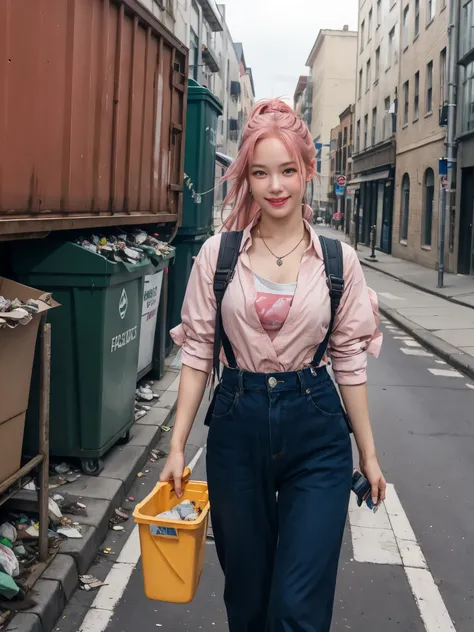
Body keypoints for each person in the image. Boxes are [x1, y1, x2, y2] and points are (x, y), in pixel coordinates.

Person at [160, 99, 385, 632]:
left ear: (308, 170)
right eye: (261, 172)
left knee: (296, 609)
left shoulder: (337, 261)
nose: (276, 185)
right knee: (249, 600)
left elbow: (350, 359)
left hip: (318, 432)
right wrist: (175, 447)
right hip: (237, 427)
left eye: (288, 170)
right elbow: (197, 353)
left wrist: (369, 455)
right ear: (247, 177)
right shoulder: (219, 255)